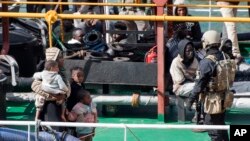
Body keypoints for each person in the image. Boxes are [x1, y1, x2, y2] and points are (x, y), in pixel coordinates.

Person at [187, 30, 236, 141]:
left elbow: (199, 84)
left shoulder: (207, 62)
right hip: (224, 97)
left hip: (212, 100)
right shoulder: (225, 56)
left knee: (213, 128)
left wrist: (190, 100)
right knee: (221, 125)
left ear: (206, 43)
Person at [31, 47, 71, 131]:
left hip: (60, 105)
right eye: (60, 58)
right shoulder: (45, 74)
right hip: (49, 107)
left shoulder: (61, 74)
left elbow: (67, 87)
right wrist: (53, 96)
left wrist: (65, 95)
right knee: (54, 130)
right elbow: (35, 86)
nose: (63, 59)